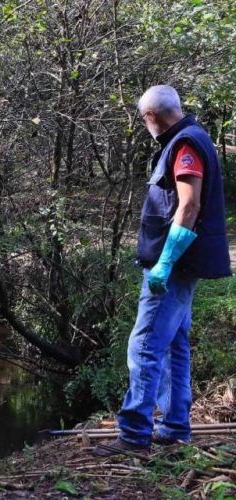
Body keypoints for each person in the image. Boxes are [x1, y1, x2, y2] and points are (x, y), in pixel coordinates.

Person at [92, 85, 231, 457]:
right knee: (173, 345)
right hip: (181, 265)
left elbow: (188, 207)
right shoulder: (192, 137)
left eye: (143, 119)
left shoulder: (185, 144)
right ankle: (174, 427)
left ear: (151, 116)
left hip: (174, 267)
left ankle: (134, 434)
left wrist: (165, 263)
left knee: (144, 346)